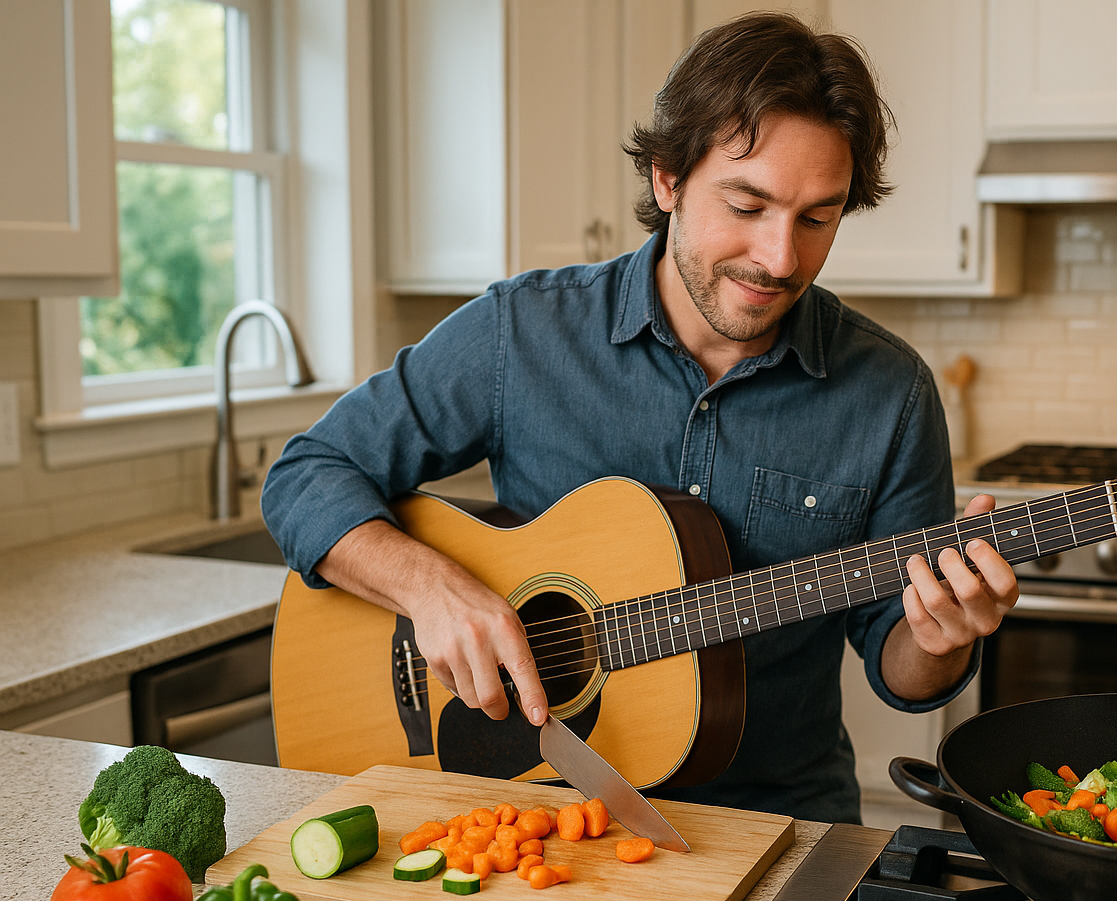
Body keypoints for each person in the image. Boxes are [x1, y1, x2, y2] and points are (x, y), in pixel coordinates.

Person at [261, 12, 1018, 823]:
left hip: (779, 827)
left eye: (816, 217)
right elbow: (306, 475)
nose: (779, 258)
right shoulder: (522, 333)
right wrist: (433, 591)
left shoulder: (890, 392)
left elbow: (899, 671)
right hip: (539, 824)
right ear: (667, 181)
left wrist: (943, 639)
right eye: (747, 204)